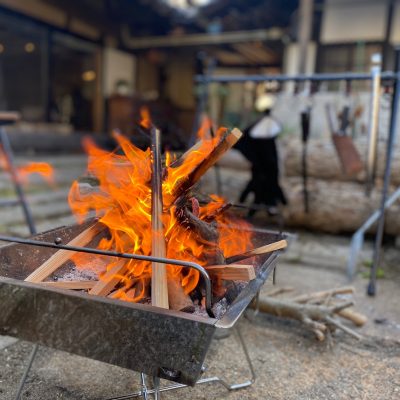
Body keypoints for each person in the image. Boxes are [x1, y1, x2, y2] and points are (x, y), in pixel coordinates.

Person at [236, 94, 287, 217]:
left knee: (269, 184)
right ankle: (257, 208)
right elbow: (243, 140)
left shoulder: (268, 125)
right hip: (261, 164)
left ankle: (270, 206)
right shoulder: (257, 126)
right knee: (259, 184)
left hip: (269, 164)